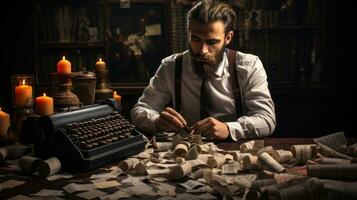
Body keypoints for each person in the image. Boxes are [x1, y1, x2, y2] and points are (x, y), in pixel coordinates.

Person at [130, 0, 276, 141]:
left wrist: (229, 128)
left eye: (212, 42)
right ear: (189, 33)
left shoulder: (248, 66)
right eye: (195, 39)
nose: (202, 50)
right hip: (184, 155)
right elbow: (139, 111)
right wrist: (156, 122)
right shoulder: (171, 67)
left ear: (228, 37)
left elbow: (267, 119)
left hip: (233, 153)